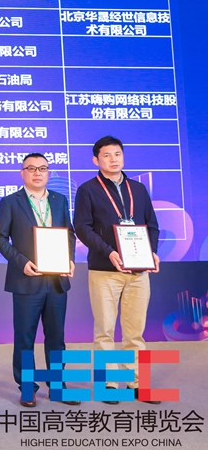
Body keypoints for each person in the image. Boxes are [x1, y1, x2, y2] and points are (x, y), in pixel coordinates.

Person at [73, 135, 160, 404]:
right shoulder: (88, 190)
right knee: (105, 330)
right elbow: (82, 228)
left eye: (117, 154)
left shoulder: (138, 189)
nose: (113, 159)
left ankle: (137, 382)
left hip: (138, 271)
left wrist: (152, 252)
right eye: (107, 155)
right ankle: (109, 384)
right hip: (104, 270)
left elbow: (152, 225)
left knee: (135, 331)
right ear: (96, 160)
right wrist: (109, 252)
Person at [0, 153, 78, 407]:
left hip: (57, 280)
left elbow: (69, 233)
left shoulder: (59, 200)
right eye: (31, 168)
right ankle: (27, 387)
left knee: (56, 337)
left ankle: (58, 385)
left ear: (48, 173)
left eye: (42, 168)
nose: (37, 173)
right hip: (26, 279)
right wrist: (21, 262)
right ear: (22, 173)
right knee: (25, 337)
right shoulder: (10, 202)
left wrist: (69, 259)